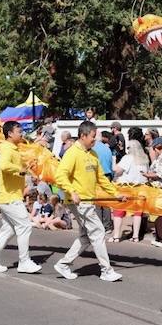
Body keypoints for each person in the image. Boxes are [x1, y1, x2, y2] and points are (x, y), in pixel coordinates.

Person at [53, 121, 127, 282]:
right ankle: (106, 270)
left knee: (86, 235)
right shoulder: (72, 153)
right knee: (98, 231)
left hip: (88, 201)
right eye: (93, 137)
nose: (95, 140)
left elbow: (101, 178)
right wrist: (72, 191)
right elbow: (60, 176)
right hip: (78, 202)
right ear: (83, 136)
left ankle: (64, 264)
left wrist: (116, 193)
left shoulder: (92, 154)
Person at [0, 121, 42, 274]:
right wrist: (20, 170)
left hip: (10, 195)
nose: (21, 133)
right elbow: (4, 166)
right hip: (9, 197)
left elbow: (16, 168)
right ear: (10, 133)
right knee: (25, 226)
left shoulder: (14, 148)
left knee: (7, 230)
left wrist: (28, 169)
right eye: (18, 130)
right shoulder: (7, 148)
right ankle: (24, 261)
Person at [111, 140, 149, 242]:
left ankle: (116, 236)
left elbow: (117, 170)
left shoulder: (127, 158)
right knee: (137, 213)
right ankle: (135, 236)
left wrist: (113, 159)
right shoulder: (144, 159)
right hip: (140, 188)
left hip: (125, 188)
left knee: (118, 212)